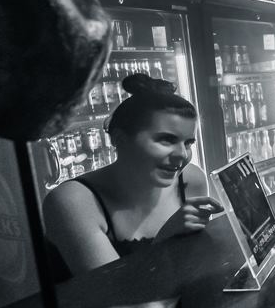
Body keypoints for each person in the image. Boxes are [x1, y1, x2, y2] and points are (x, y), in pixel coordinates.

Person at [43, 74, 223, 278]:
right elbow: (114, 292)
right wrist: (165, 240)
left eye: (188, 143)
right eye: (166, 140)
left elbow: (195, 268)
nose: (182, 154)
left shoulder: (190, 179)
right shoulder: (72, 201)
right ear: (120, 139)